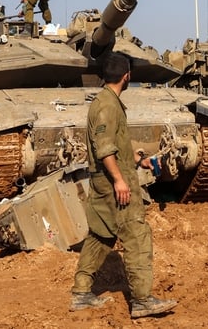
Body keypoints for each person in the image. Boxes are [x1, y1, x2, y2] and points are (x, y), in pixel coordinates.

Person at [70, 52, 177, 318]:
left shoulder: (108, 102)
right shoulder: (107, 106)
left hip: (106, 179)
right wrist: (119, 179)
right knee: (137, 235)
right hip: (112, 181)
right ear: (127, 76)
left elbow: (115, 144)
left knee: (101, 235)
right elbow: (105, 148)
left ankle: (82, 292)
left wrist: (138, 159)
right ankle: (142, 300)